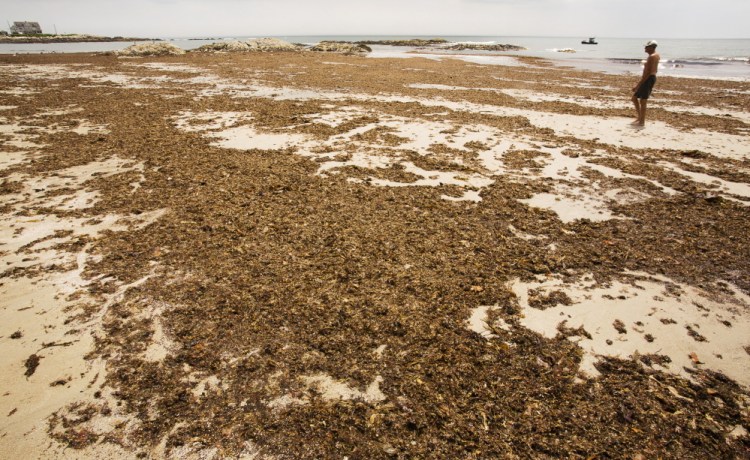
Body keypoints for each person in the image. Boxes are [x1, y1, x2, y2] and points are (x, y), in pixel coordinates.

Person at [631, 40, 660, 127]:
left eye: (646, 47)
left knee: (643, 101)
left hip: (648, 79)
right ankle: (640, 118)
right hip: (650, 78)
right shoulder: (656, 55)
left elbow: (647, 73)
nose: (645, 48)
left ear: (651, 47)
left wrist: (638, 85)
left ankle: (642, 121)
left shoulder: (652, 57)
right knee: (634, 98)